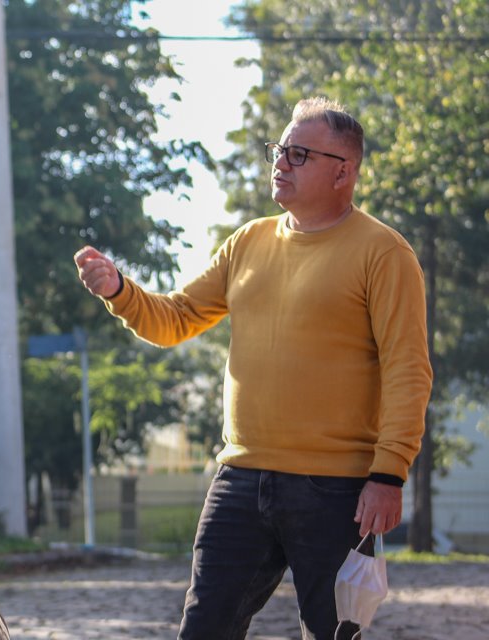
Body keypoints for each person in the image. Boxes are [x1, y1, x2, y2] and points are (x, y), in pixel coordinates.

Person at [74, 97, 432, 639]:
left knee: (332, 632)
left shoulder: (384, 252)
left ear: (344, 172)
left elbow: (408, 368)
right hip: (240, 477)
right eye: (279, 150)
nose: (280, 162)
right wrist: (121, 291)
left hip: (336, 487)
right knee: (204, 629)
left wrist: (388, 473)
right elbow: (177, 318)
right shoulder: (249, 241)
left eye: (299, 153)